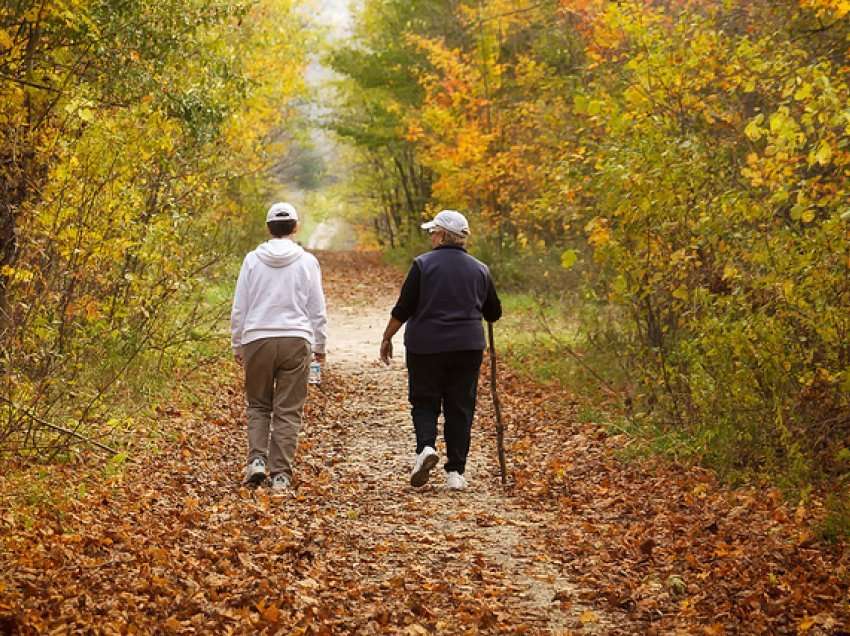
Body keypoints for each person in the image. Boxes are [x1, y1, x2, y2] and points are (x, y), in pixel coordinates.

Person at [380, 209, 502, 490]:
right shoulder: (480, 269)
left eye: (433, 231)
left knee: (424, 401)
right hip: (467, 346)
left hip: (426, 346)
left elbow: (404, 308)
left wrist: (387, 337)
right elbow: (493, 312)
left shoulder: (422, 265)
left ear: (443, 235)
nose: (431, 236)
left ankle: (425, 448)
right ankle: (455, 473)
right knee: (460, 406)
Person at [230, 202, 327, 491]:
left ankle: (257, 461)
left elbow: (240, 307)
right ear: (295, 227)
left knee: (258, 405)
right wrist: (320, 344)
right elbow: (317, 308)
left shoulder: (252, 260)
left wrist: (238, 343)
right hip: (296, 340)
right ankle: (281, 475)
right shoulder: (307, 262)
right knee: (288, 409)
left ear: (268, 228)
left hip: (257, 338)